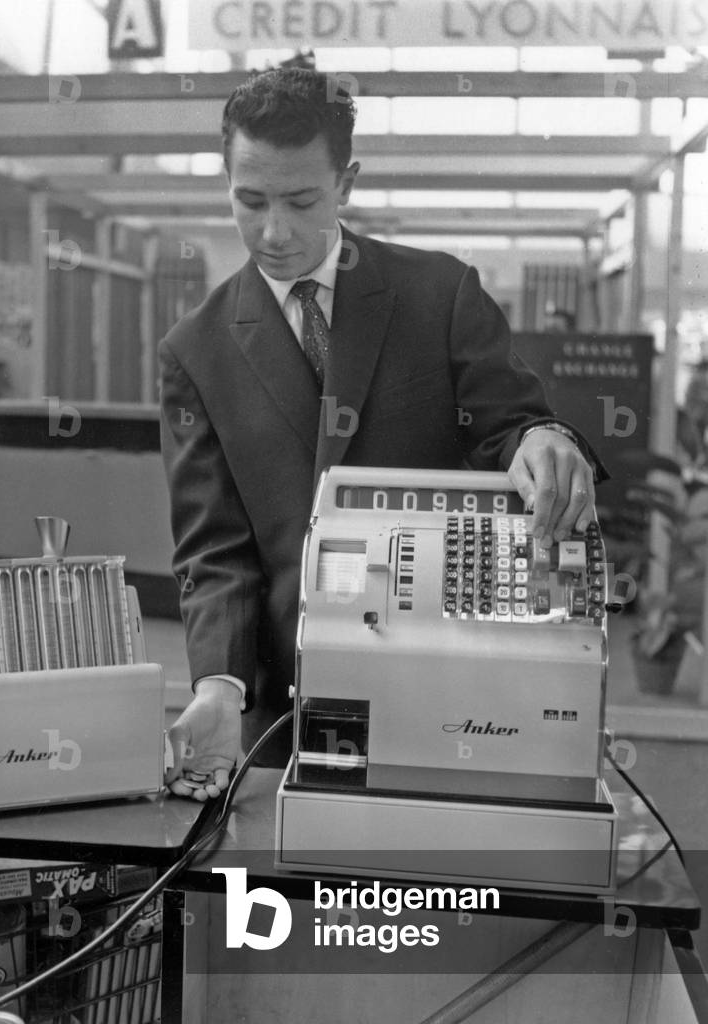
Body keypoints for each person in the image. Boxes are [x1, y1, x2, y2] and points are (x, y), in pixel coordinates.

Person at [158, 68, 604, 800]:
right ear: (226, 179)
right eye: (250, 200)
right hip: (289, 703)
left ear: (346, 182)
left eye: (301, 201)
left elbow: (509, 423)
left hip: (450, 678)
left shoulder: (438, 295)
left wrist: (538, 438)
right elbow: (214, 550)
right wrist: (217, 684)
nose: (274, 231)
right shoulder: (195, 350)